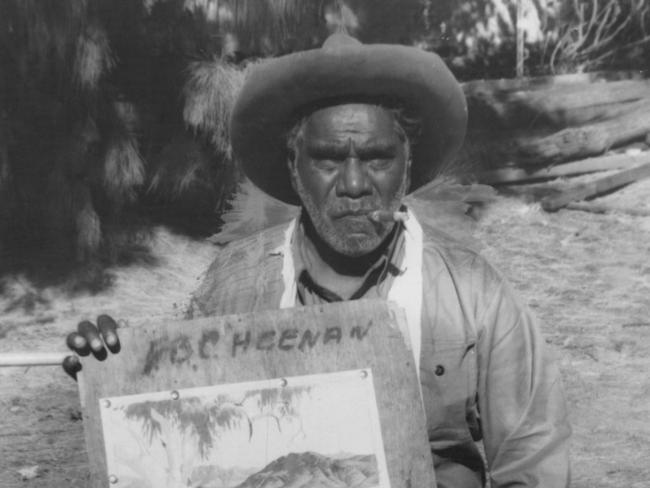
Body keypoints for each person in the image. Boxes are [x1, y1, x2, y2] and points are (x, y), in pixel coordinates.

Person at [64, 33, 571, 487]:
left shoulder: (473, 294)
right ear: (294, 166)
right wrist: (115, 370)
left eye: (376, 159)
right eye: (328, 160)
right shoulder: (236, 286)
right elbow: (180, 432)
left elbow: (534, 462)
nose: (353, 186)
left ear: (407, 163)